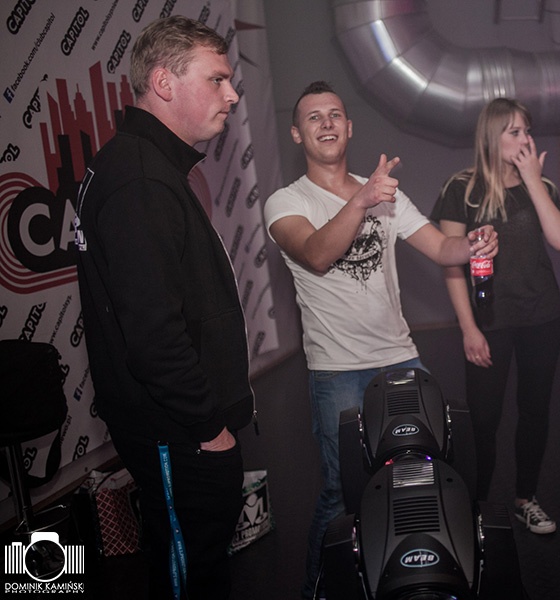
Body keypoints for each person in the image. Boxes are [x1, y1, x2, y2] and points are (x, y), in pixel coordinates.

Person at [263, 81, 497, 599]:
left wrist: (474, 243)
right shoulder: (286, 202)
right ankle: (316, 590)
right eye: (314, 117)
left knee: (428, 478)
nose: (326, 123)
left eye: (335, 114)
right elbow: (317, 253)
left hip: (402, 359)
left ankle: (416, 579)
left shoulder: (385, 193)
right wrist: (362, 199)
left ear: (349, 127)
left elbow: (443, 249)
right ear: (297, 134)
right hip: (337, 370)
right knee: (339, 493)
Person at [74, 16, 253, 599]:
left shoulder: (145, 167)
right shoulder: (140, 179)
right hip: (178, 431)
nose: (232, 95)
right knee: (188, 574)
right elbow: (153, 336)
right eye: (217, 79)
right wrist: (208, 428)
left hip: (181, 429)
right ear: (164, 82)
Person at [430, 98, 560, 534]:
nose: (526, 139)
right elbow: (450, 264)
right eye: (515, 132)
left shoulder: (542, 185)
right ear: (492, 137)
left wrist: (532, 181)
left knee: (535, 411)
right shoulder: (462, 188)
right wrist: (468, 328)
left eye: (527, 130)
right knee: (483, 421)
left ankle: (527, 498)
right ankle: (476, 509)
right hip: (489, 322)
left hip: (543, 317)